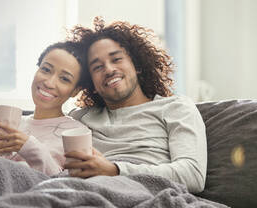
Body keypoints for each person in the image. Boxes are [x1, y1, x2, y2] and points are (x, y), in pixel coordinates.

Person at [64, 17, 208, 193]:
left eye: (116, 59)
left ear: (137, 65)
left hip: (140, 195)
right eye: (97, 67)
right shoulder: (79, 118)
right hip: (78, 191)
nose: (109, 69)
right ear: (91, 83)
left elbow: (192, 175)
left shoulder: (175, 108)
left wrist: (115, 171)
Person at [0, 41, 87, 176]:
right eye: (46, 70)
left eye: (64, 79)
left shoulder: (77, 133)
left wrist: (27, 146)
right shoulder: (16, 122)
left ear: (75, 91)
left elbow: (66, 183)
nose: (49, 83)